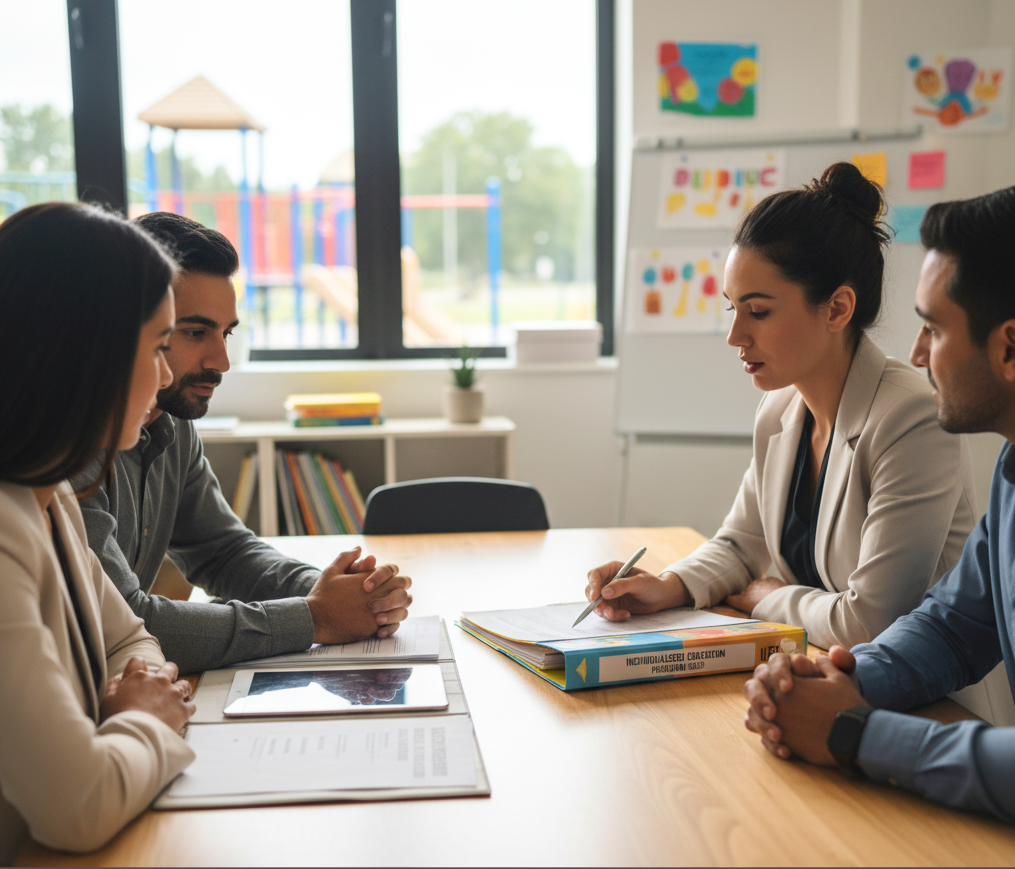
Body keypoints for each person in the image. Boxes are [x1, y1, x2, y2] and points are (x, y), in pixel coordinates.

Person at [586, 163, 978, 649]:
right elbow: (738, 545)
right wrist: (668, 587)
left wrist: (768, 597)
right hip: (824, 673)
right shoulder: (780, 411)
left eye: (759, 312)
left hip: (929, 707)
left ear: (837, 308)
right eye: (733, 308)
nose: (735, 336)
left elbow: (872, 621)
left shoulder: (911, 418)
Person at [743, 186, 1015, 823]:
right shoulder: (1013, 469)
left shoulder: (907, 411)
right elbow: (952, 628)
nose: (918, 354)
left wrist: (855, 732)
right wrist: (843, 679)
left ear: (1009, 347)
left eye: (934, 328)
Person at [73, 212, 413, 675]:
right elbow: (127, 623)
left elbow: (223, 551)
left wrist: (335, 591)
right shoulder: (60, 447)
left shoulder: (173, 422)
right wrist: (314, 617)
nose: (222, 362)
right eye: (195, 333)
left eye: (226, 332)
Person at [0, 202, 196, 861]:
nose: (167, 375)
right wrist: (144, 717)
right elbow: (78, 806)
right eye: (159, 346)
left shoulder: (45, 487)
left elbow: (130, 639)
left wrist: (123, 718)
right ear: (90, 352)